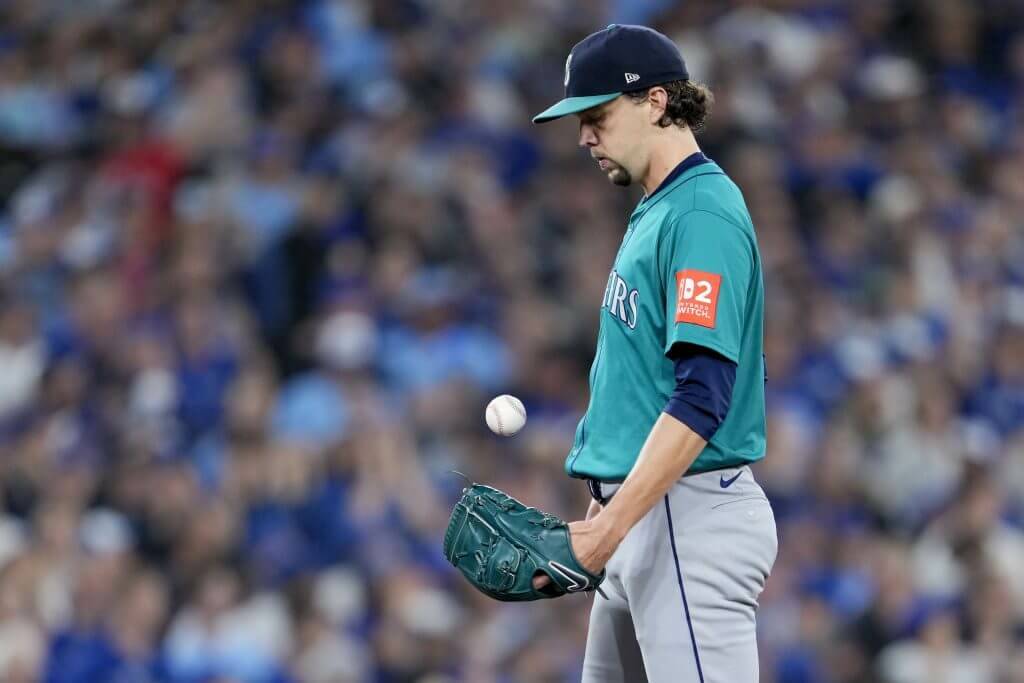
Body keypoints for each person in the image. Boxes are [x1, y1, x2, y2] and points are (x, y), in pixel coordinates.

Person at [531, 24, 778, 682]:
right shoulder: (661, 206)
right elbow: (643, 382)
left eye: (598, 115)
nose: (584, 135)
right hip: (647, 516)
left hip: (687, 523)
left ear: (657, 102)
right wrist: (607, 501)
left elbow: (703, 396)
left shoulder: (700, 214)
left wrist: (610, 528)